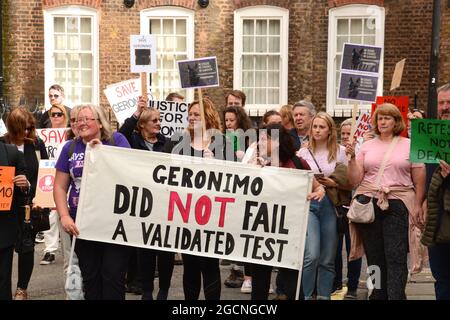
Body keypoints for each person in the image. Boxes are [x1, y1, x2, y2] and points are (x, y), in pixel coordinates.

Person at [346, 103, 426, 300]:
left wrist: (417, 204)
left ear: (396, 121)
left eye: (387, 118)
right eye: (380, 118)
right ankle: (378, 294)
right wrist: (351, 159)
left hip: (398, 203)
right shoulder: (367, 146)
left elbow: (419, 176)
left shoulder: (409, 144)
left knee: (396, 255)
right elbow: (355, 180)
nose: (382, 121)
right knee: (374, 257)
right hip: (369, 203)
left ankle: (396, 295)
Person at [53, 104, 131, 300]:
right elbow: (60, 186)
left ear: (100, 122)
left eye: (87, 119)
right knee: (91, 278)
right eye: (79, 119)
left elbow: (129, 174)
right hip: (82, 225)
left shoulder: (117, 140)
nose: (82, 123)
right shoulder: (69, 148)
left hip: (113, 224)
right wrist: (64, 216)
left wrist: (102, 152)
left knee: (113, 277)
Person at [166, 97, 235, 300]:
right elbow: (162, 169)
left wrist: (217, 163)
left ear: (208, 117)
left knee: (210, 263)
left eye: (197, 114)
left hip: (213, 214)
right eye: (190, 114)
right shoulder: (177, 140)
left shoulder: (222, 143)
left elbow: (235, 177)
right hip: (185, 212)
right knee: (191, 264)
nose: (191, 117)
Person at [250, 123, 326, 300]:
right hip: (261, 230)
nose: (259, 143)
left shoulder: (297, 162)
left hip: (289, 231)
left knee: (291, 281)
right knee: (260, 281)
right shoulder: (254, 163)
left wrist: (319, 192)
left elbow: (317, 186)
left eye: (263, 139)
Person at [119, 97, 174, 300]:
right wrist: (135, 114)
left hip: (164, 202)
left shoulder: (167, 143)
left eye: (160, 120)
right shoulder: (132, 142)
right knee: (145, 250)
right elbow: (119, 135)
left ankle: (164, 290)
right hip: (142, 202)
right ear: (142, 125)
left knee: (166, 251)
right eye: (154, 120)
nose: (159, 123)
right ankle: (147, 290)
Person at [297, 112, 348, 300]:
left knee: (328, 258)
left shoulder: (340, 151)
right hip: (309, 204)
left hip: (330, 205)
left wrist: (332, 183)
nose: (317, 130)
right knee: (312, 255)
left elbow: (347, 181)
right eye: (315, 127)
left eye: (321, 127)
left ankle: (324, 296)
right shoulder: (302, 152)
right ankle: (308, 296)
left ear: (329, 131)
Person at [1, 106, 49, 300]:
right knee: (5, 249)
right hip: (6, 206)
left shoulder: (36, 145)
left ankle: (22, 288)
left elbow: (47, 172)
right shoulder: (2, 144)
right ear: (13, 127)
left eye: (30, 128)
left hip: (31, 204)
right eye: (23, 128)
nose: (27, 132)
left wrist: (42, 197)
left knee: (27, 247)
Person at [421, 82, 450, 300]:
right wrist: (420, 201)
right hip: (436, 217)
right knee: (441, 276)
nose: (445, 107)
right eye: (441, 103)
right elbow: (424, 172)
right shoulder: (429, 135)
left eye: (449, 102)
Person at [332, 118, 362, 299]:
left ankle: (352, 286)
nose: (345, 137)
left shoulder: (362, 153)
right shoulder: (335, 152)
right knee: (334, 248)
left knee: (353, 248)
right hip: (338, 206)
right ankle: (336, 283)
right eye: (342, 133)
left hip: (355, 207)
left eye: (349, 133)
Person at [40, 104, 70, 265]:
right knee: (50, 215)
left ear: (64, 116)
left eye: (59, 114)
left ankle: (68, 251)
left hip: (65, 176)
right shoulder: (43, 135)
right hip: (48, 174)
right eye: (53, 114)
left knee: (64, 213)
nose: (56, 117)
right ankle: (50, 250)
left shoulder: (70, 135)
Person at [0, 141, 29, 300]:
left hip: (4, 229)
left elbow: (26, 189)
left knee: (3, 281)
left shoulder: (12, 153)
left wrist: (24, 184)